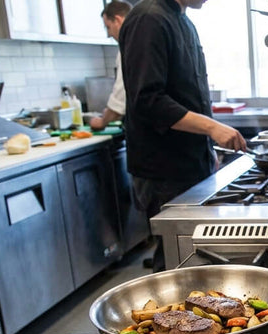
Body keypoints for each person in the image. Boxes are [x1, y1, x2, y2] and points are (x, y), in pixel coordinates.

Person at [120, 0, 246, 272]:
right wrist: (212, 128)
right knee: (174, 262)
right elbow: (148, 100)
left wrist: (206, 149)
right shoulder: (149, 19)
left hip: (189, 162)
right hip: (163, 168)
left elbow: (189, 95)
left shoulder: (183, 21)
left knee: (193, 258)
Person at [89, 1, 131, 131]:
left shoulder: (129, 46)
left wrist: (103, 121)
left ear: (117, 20)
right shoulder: (147, 37)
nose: (109, 34)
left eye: (108, 27)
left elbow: (121, 95)